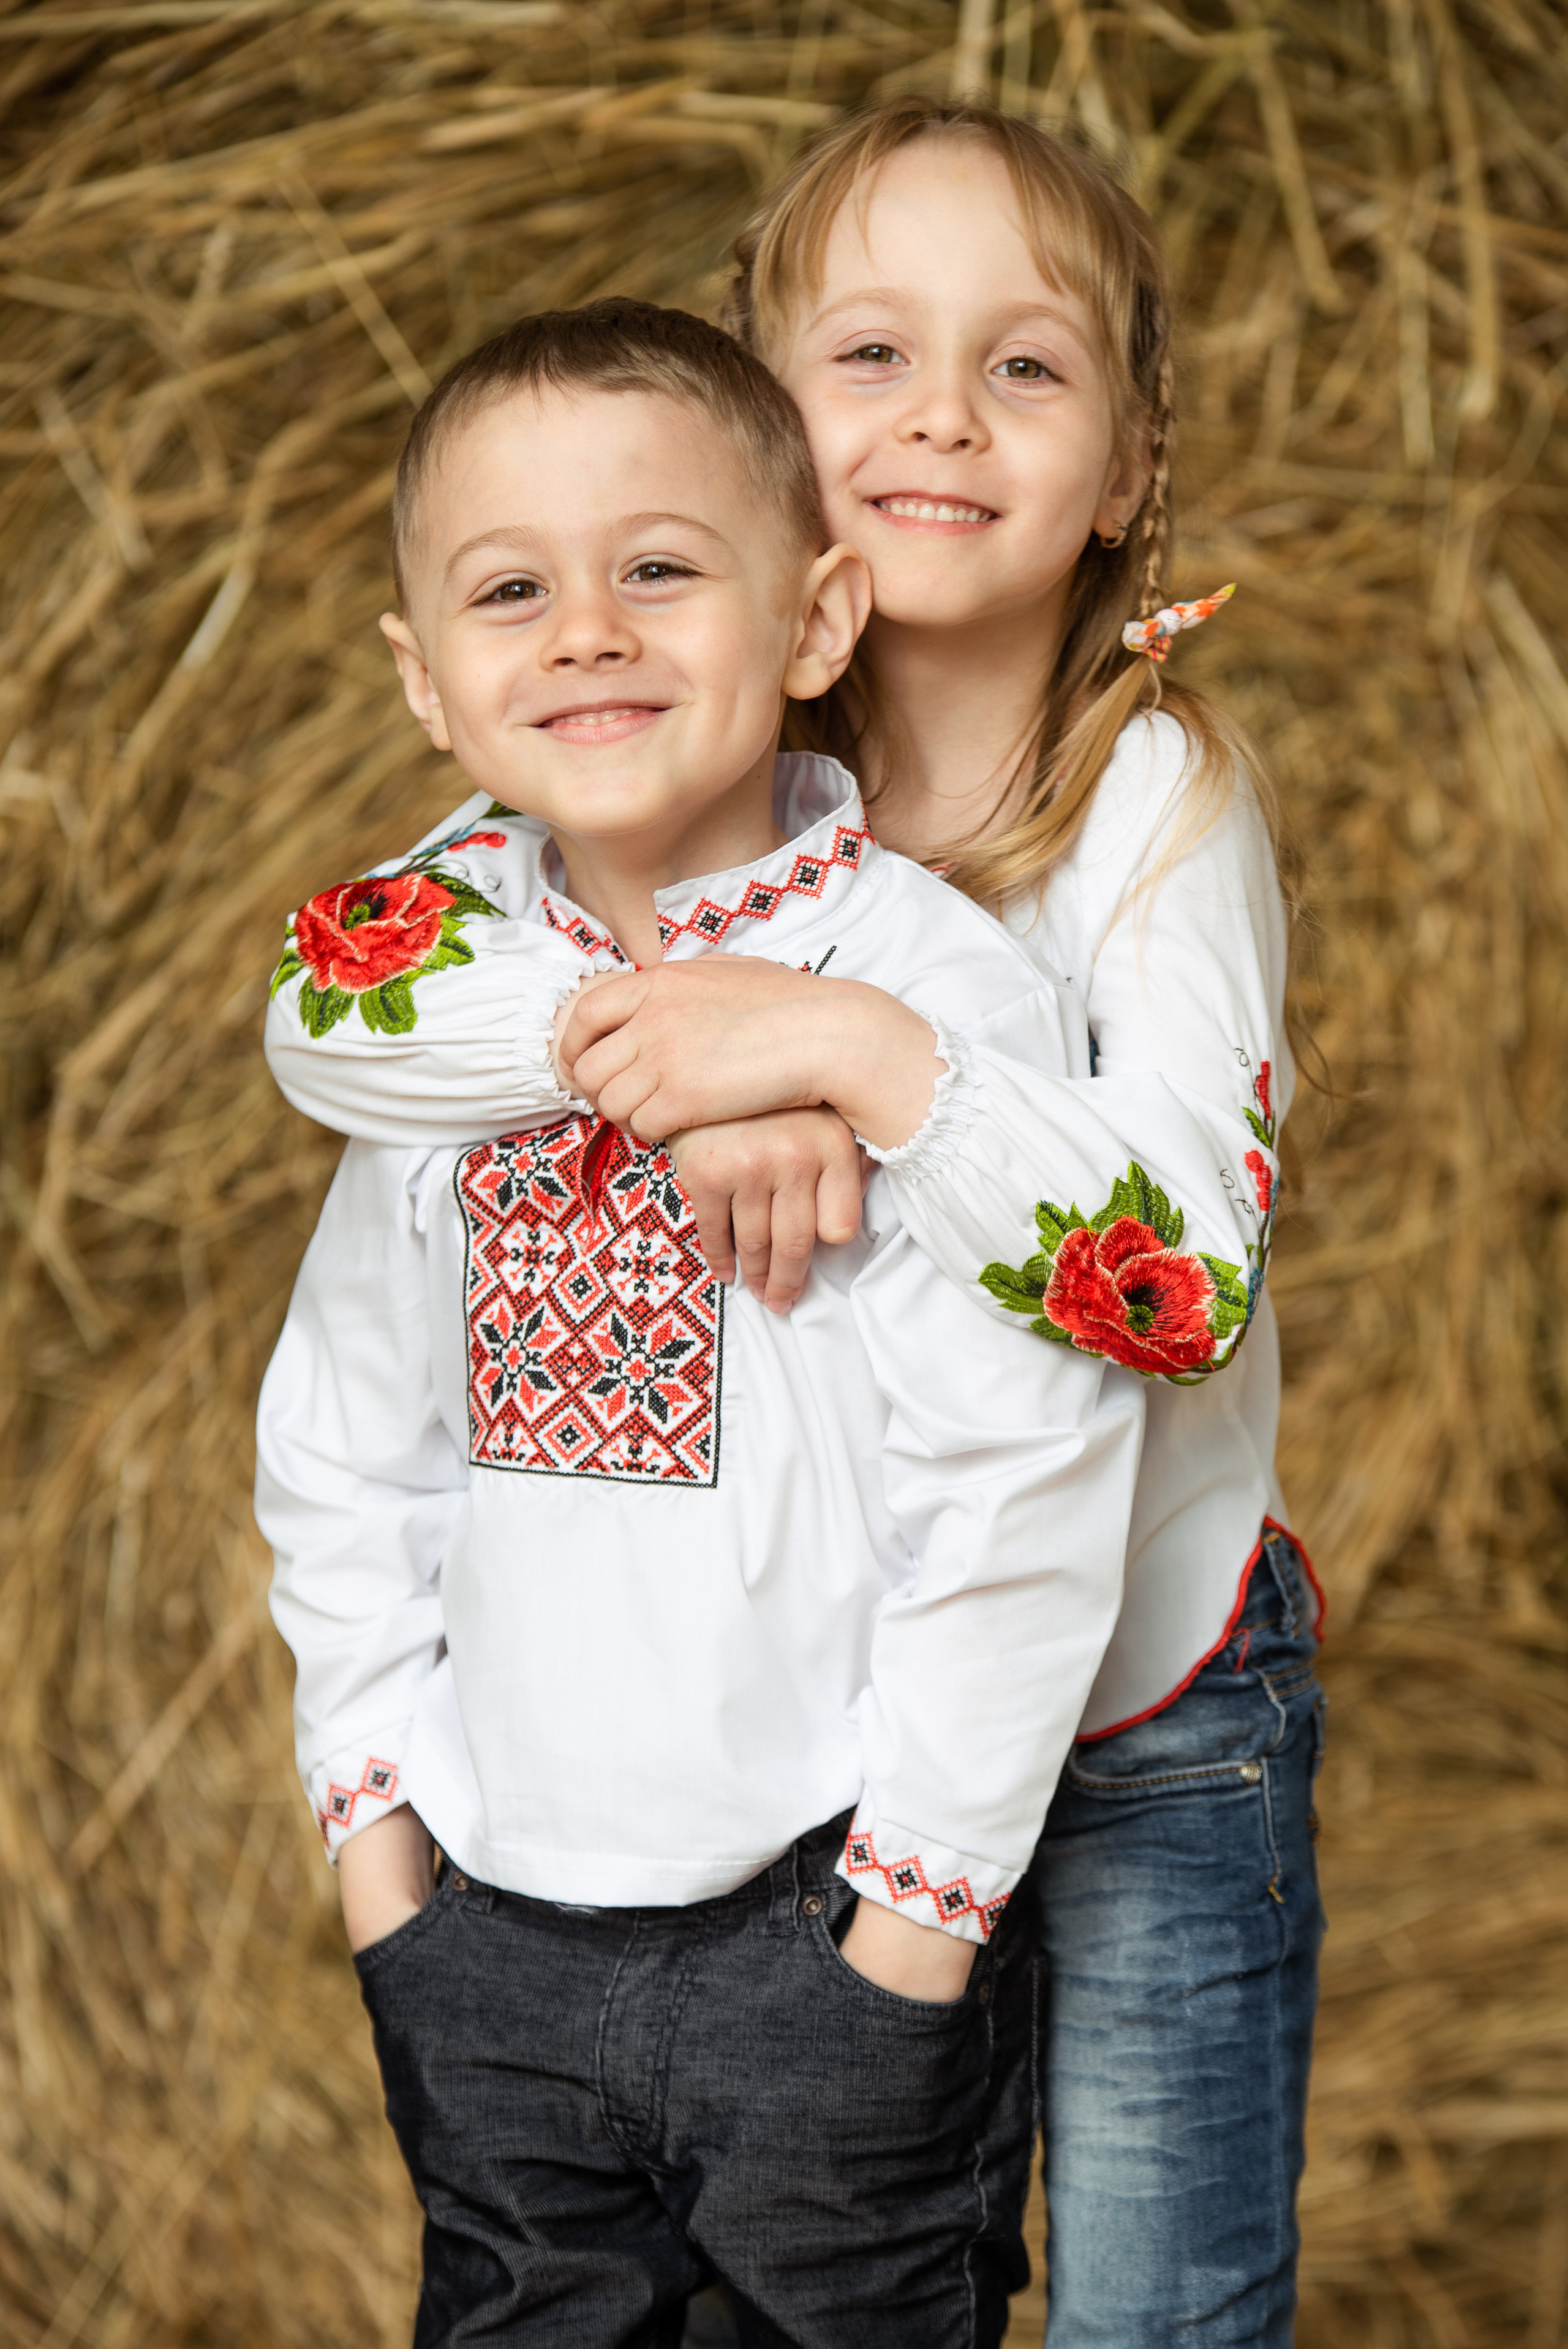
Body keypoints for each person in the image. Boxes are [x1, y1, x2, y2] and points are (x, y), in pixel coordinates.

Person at [265, 102, 1329, 2347]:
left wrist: (850, 1052)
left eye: (1023, 369)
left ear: (1129, 464)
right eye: (868, 355)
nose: (941, 413)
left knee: (1148, 2307)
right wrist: (665, 1034)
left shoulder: (1155, 797)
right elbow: (337, 1012)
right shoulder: (661, 709)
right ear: (763, 420)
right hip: (826, 1750)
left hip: (1138, 1703)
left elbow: (1185, 1275)